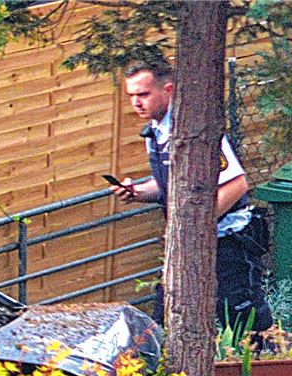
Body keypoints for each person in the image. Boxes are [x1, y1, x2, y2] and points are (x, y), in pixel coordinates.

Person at [111, 59, 272, 334]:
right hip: (186, 243)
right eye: (131, 96)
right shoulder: (155, 131)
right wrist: (137, 192)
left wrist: (193, 226)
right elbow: (170, 186)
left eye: (143, 94)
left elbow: (237, 184)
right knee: (167, 316)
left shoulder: (194, 131)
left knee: (244, 320)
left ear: (168, 90)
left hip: (228, 242)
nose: (136, 103)